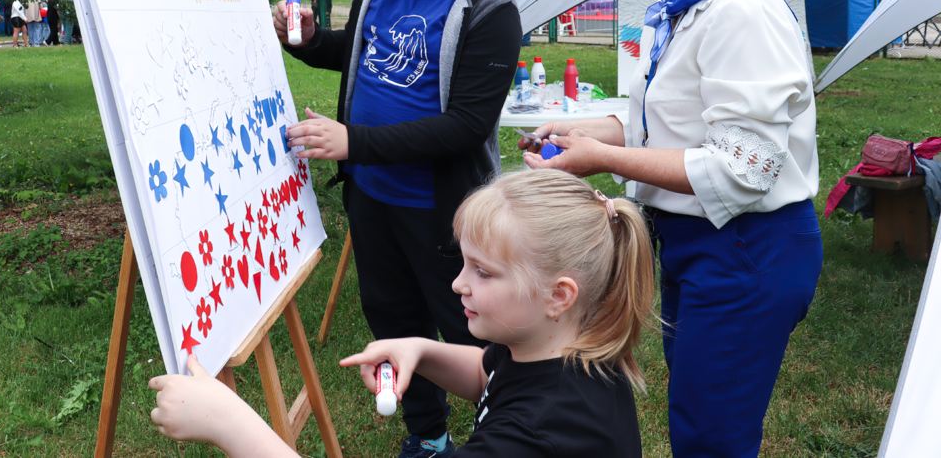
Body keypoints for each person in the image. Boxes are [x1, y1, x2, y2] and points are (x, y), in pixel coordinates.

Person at [521, 0, 821, 458]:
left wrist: (603, 159)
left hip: (745, 248)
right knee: (698, 420)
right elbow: (673, 127)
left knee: (712, 437)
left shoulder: (742, 11)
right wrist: (585, 134)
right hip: (701, 243)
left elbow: (743, 167)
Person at [273, 0, 521, 458]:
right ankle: (428, 436)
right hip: (373, 196)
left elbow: (465, 127)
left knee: (470, 330)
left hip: (445, 211)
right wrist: (307, 41)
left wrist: (353, 142)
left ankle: (504, 435)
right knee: (391, 316)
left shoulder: (491, 6)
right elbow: (361, 49)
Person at [149, 169, 653, 458]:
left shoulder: (540, 435)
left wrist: (226, 421)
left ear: (558, 296)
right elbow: (490, 375)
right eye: (463, 263)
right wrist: (423, 350)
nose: (458, 283)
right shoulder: (553, 346)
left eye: (483, 271)